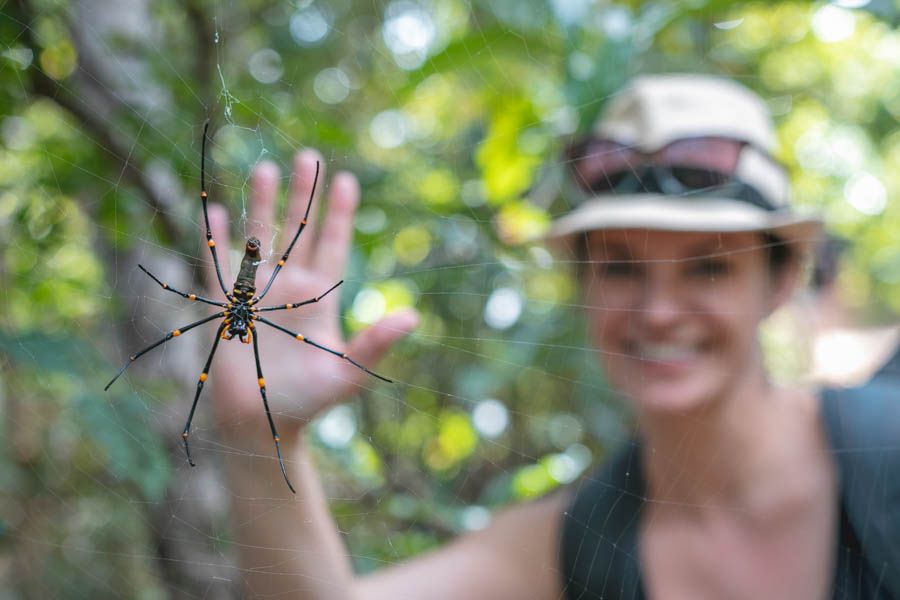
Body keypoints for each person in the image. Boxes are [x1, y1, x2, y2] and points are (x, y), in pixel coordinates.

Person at [205, 74, 898, 598]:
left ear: (779, 282)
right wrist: (258, 436)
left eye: (709, 267)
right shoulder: (574, 542)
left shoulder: (884, 461)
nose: (659, 312)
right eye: (622, 267)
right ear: (583, 285)